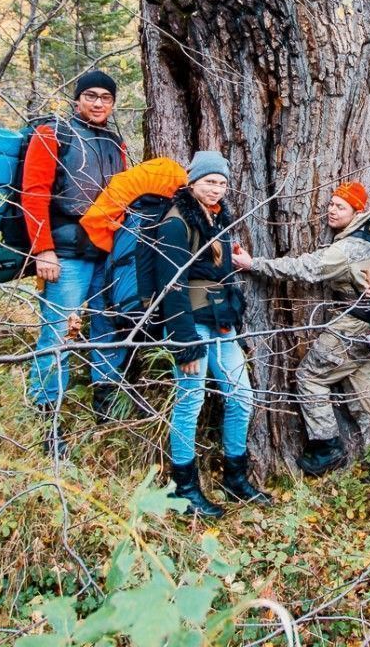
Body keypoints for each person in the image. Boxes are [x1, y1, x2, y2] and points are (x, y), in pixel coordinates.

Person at [233, 181, 370, 481]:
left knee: (309, 376)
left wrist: (253, 263)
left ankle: (328, 447)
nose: (331, 210)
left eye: (340, 206)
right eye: (331, 204)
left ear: (357, 210)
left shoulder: (349, 248)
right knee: (363, 392)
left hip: (352, 326)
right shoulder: (369, 238)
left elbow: (305, 268)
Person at [137, 150, 271, 517]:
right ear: (193, 181)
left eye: (222, 183)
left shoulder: (217, 219)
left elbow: (218, 269)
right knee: (190, 401)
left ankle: (235, 477)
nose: (216, 189)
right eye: (210, 181)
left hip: (220, 320)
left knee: (241, 395)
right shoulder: (176, 222)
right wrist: (185, 344)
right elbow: (171, 284)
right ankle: (184, 488)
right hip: (190, 325)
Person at [22, 70, 126, 456]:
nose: (99, 103)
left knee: (108, 327)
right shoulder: (53, 133)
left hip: (107, 255)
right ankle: (48, 421)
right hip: (63, 255)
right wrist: (42, 249)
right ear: (77, 97)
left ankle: (107, 406)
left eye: (106, 98)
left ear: (113, 104)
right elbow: (33, 194)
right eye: (91, 96)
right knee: (56, 336)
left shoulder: (116, 142)